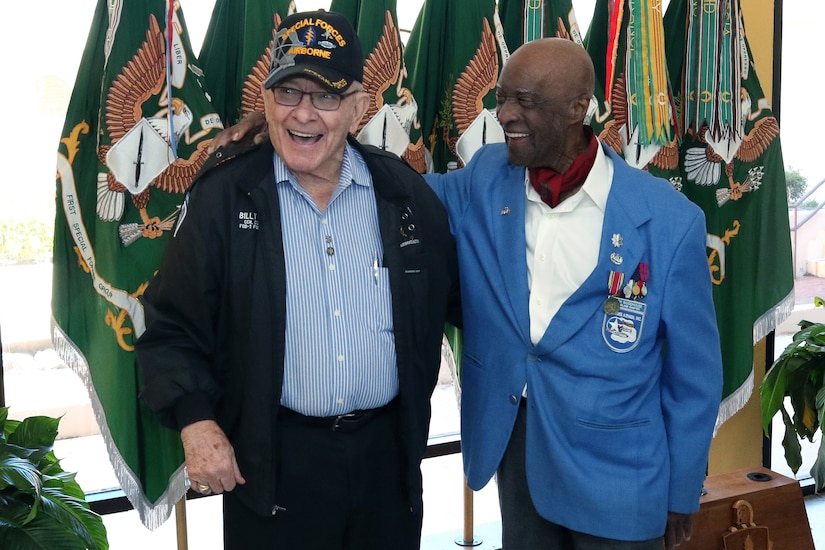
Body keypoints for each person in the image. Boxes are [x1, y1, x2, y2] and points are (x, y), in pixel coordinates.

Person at [213, 37, 723, 550]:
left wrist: (683, 490)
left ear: (577, 108)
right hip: (518, 454)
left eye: (525, 101)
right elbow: (390, 186)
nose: (504, 115)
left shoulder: (671, 222)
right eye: (502, 98)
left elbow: (694, 377)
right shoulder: (484, 178)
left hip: (623, 479)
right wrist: (294, 131)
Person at [135, 10, 459, 550]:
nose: (303, 113)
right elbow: (170, 328)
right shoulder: (224, 197)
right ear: (265, 101)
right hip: (272, 463)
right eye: (288, 92)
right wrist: (196, 421)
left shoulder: (404, 195)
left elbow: (455, 300)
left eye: (326, 96)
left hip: (387, 463)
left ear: (358, 107)